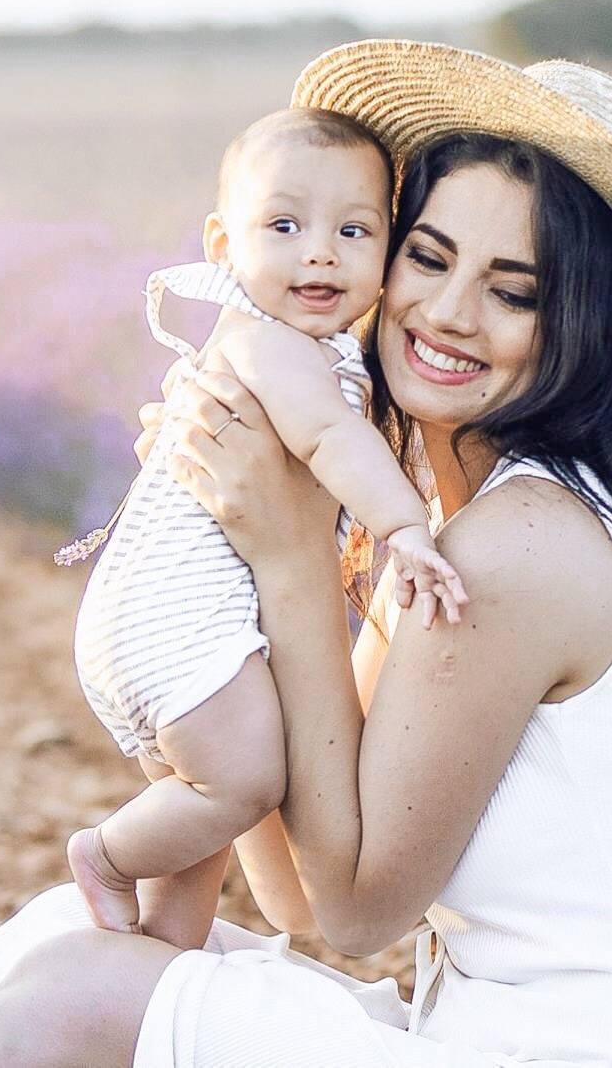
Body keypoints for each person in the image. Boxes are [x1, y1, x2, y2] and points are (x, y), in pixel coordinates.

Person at [0, 40, 612, 1068]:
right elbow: (293, 889)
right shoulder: (468, 536)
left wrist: (288, 559)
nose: (444, 313)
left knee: (84, 992)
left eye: (514, 290)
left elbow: (358, 913)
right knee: (74, 940)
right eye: (427, 256)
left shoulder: (521, 548)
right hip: (508, 1044)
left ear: (587, 329)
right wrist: (232, 551)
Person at [62, 105, 467, 951]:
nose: (320, 250)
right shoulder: (274, 343)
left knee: (203, 816)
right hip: (174, 617)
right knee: (241, 779)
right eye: (284, 225)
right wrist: (405, 528)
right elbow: (328, 439)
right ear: (222, 246)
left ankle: (160, 956)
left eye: (354, 231)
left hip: (163, 620)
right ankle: (102, 856)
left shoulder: (302, 351)